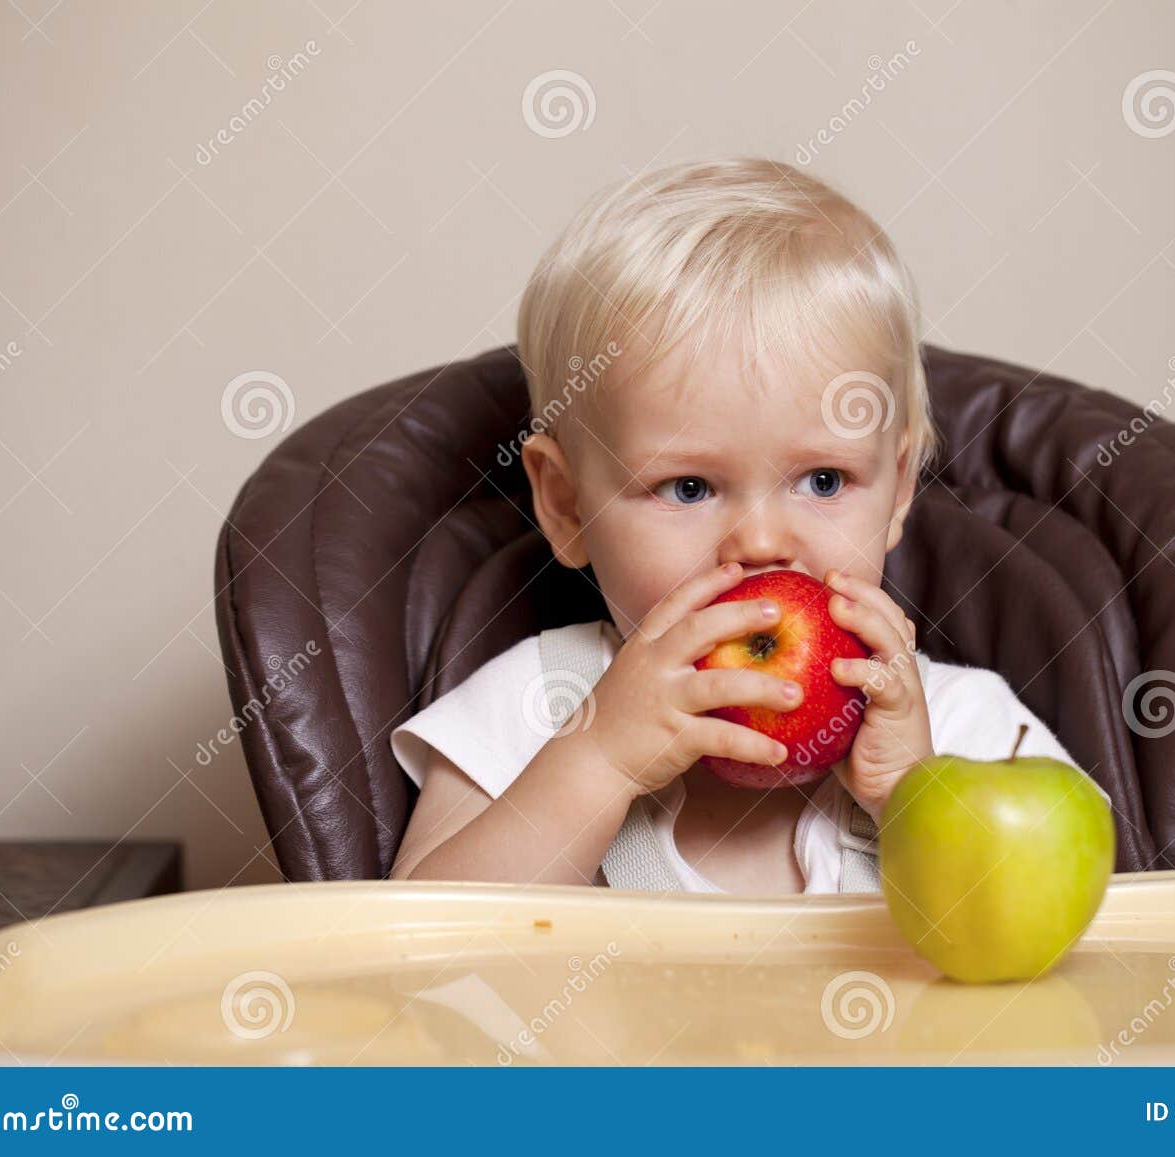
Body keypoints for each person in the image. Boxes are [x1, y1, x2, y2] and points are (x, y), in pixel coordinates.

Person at [389, 157, 1092, 894]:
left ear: (897, 492)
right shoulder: (536, 708)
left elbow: (1082, 948)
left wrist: (915, 798)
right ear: (567, 506)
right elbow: (412, 949)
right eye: (688, 487)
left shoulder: (964, 730)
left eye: (823, 480)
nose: (761, 541)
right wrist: (597, 765)